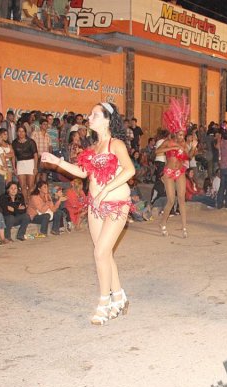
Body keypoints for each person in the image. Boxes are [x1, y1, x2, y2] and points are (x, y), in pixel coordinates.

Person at [41, 102, 135, 325]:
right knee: (105, 254)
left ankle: (104, 303)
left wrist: (105, 190)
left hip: (116, 203)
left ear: (107, 120)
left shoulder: (116, 144)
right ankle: (119, 297)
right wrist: (57, 162)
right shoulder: (92, 148)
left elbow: (130, 170)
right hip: (95, 205)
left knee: (100, 252)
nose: (89, 117)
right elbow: (82, 172)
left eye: (94, 115)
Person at [155, 96, 197, 238]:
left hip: (180, 172)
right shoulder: (168, 142)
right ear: (175, 133)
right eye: (179, 134)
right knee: (171, 200)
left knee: (181, 199)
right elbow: (157, 151)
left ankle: (184, 228)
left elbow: (188, 156)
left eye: (183, 134)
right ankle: (163, 223)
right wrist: (171, 148)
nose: (181, 137)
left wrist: (193, 147)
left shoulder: (184, 144)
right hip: (168, 172)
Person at [12, 126, 38, 205]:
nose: (21, 133)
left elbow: (35, 155)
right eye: (19, 131)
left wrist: (35, 167)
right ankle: (25, 202)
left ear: (25, 132)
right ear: (17, 132)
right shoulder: (14, 142)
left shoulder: (31, 142)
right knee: (22, 185)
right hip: (20, 164)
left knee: (31, 185)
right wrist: (14, 167)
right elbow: (13, 156)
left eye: (23, 131)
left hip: (30, 163)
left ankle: (30, 201)